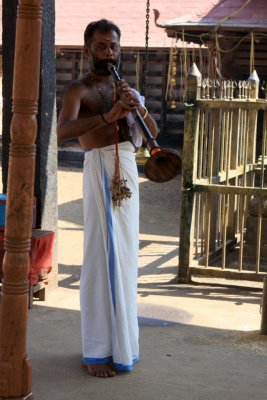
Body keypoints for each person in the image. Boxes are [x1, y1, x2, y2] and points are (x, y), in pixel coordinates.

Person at [57, 19, 158, 378]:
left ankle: (122, 347)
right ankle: (96, 352)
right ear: (87, 50)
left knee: (126, 258)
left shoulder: (123, 89)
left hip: (127, 167)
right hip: (100, 168)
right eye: (101, 46)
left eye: (113, 46)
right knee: (102, 258)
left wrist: (137, 107)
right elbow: (62, 132)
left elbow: (152, 135)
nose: (109, 53)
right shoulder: (77, 90)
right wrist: (107, 116)